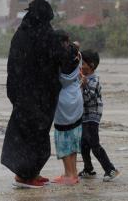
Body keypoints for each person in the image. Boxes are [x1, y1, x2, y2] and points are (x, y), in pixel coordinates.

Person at [1, 0, 67, 189]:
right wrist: (71, 51)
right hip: (39, 97)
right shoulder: (45, 35)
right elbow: (61, 58)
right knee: (36, 136)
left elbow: (12, 67)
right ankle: (26, 176)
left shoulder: (20, 35)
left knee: (24, 135)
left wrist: (14, 94)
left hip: (23, 95)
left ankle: (29, 173)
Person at [78, 50, 120, 182]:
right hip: (84, 116)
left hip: (93, 116)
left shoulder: (94, 80)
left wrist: (84, 86)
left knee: (94, 145)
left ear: (91, 65)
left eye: (83, 64)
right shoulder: (83, 79)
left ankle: (110, 169)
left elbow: (90, 98)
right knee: (83, 144)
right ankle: (88, 169)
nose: (80, 66)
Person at [52, 43, 83, 186]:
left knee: (63, 139)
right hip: (76, 99)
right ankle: (73, 173)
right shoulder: (77, 61)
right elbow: (76, 47)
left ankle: (69, 175)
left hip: (62, 102)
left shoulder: (57, 69)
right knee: (73, 137)